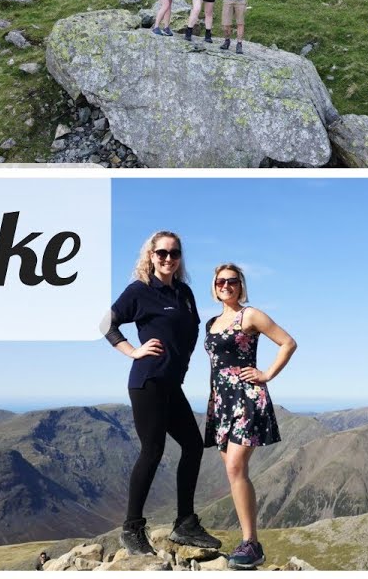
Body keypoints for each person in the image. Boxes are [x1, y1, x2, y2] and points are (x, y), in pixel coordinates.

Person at [100, 231, 220, 556]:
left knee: (194, 446)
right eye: (162, 253)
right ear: (151, 255)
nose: (168, 259)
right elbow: (105, 324)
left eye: (174, 253)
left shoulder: (185, 293)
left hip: (171, 384)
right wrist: (133, 351)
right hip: (148, 382)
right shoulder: (139, 291)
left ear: (180, 257)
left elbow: (192, 330)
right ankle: (132, 528)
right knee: (152, 450)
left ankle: (185, 523)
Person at [204, 264, 297, 570]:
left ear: (241, 286)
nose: (226, 285)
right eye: (221, 281)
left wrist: (266, 373)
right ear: (214, 286)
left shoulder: (251, 315)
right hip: (221, 401)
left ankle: (252, 543)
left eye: (232, 281)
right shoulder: (212, 323)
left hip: (246, 396)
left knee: (235, 466)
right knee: (233, 473)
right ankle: (248, 542)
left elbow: (288, 342)